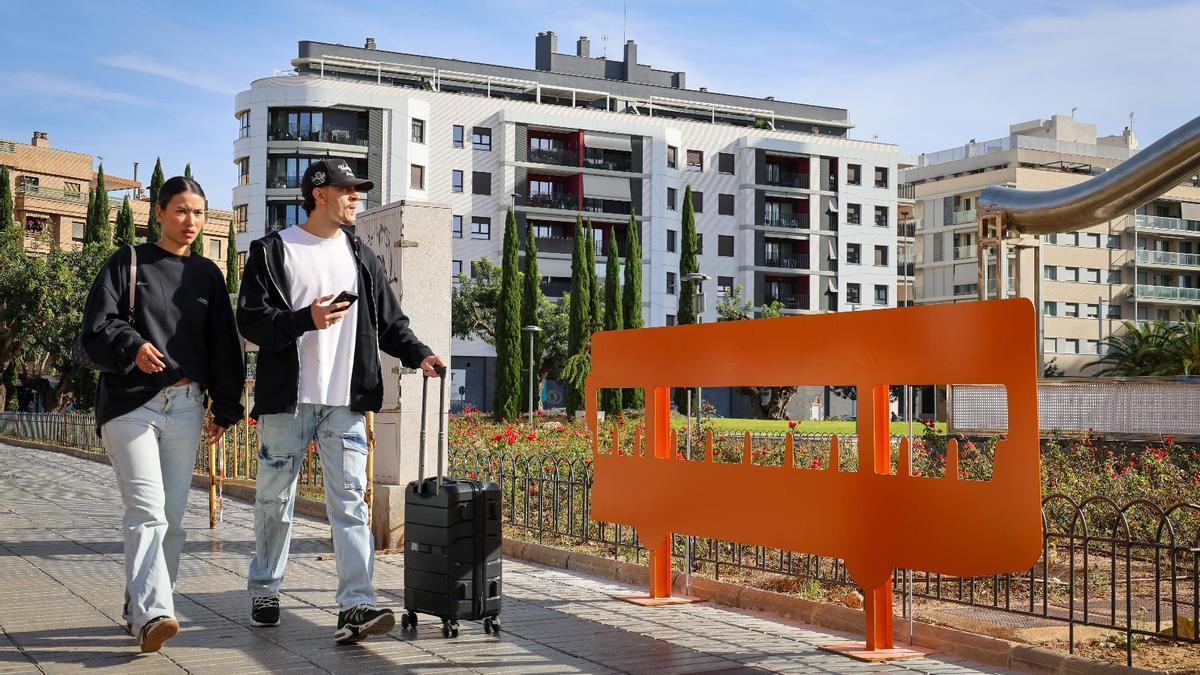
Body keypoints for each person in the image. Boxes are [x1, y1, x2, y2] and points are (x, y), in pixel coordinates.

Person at [237, 158, 445, 644]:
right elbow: (251, 321)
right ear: (319, 194)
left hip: (345, 401)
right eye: (347, 190)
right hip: (287, 400)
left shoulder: (361, 256)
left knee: (350, 502)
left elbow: (391, 323)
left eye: (357, 190)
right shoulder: (272, 251)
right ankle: (265, 589)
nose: (356, 198)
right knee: (273, 501)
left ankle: (356, 604)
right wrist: (303, 320)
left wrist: (420, 354)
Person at [79, 176, 245, 652]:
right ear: (159, 213)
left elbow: (223, 345)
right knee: (147, 509)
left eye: (199, 213)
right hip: (131, 404)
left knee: (172, 518)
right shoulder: (127, 262)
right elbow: (97, 326)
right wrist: (132, 345)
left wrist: (226, 406)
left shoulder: (208, 275)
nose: (191, 221)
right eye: (181, 211)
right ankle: (155, 612)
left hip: (186, 406)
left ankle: (143, 606)